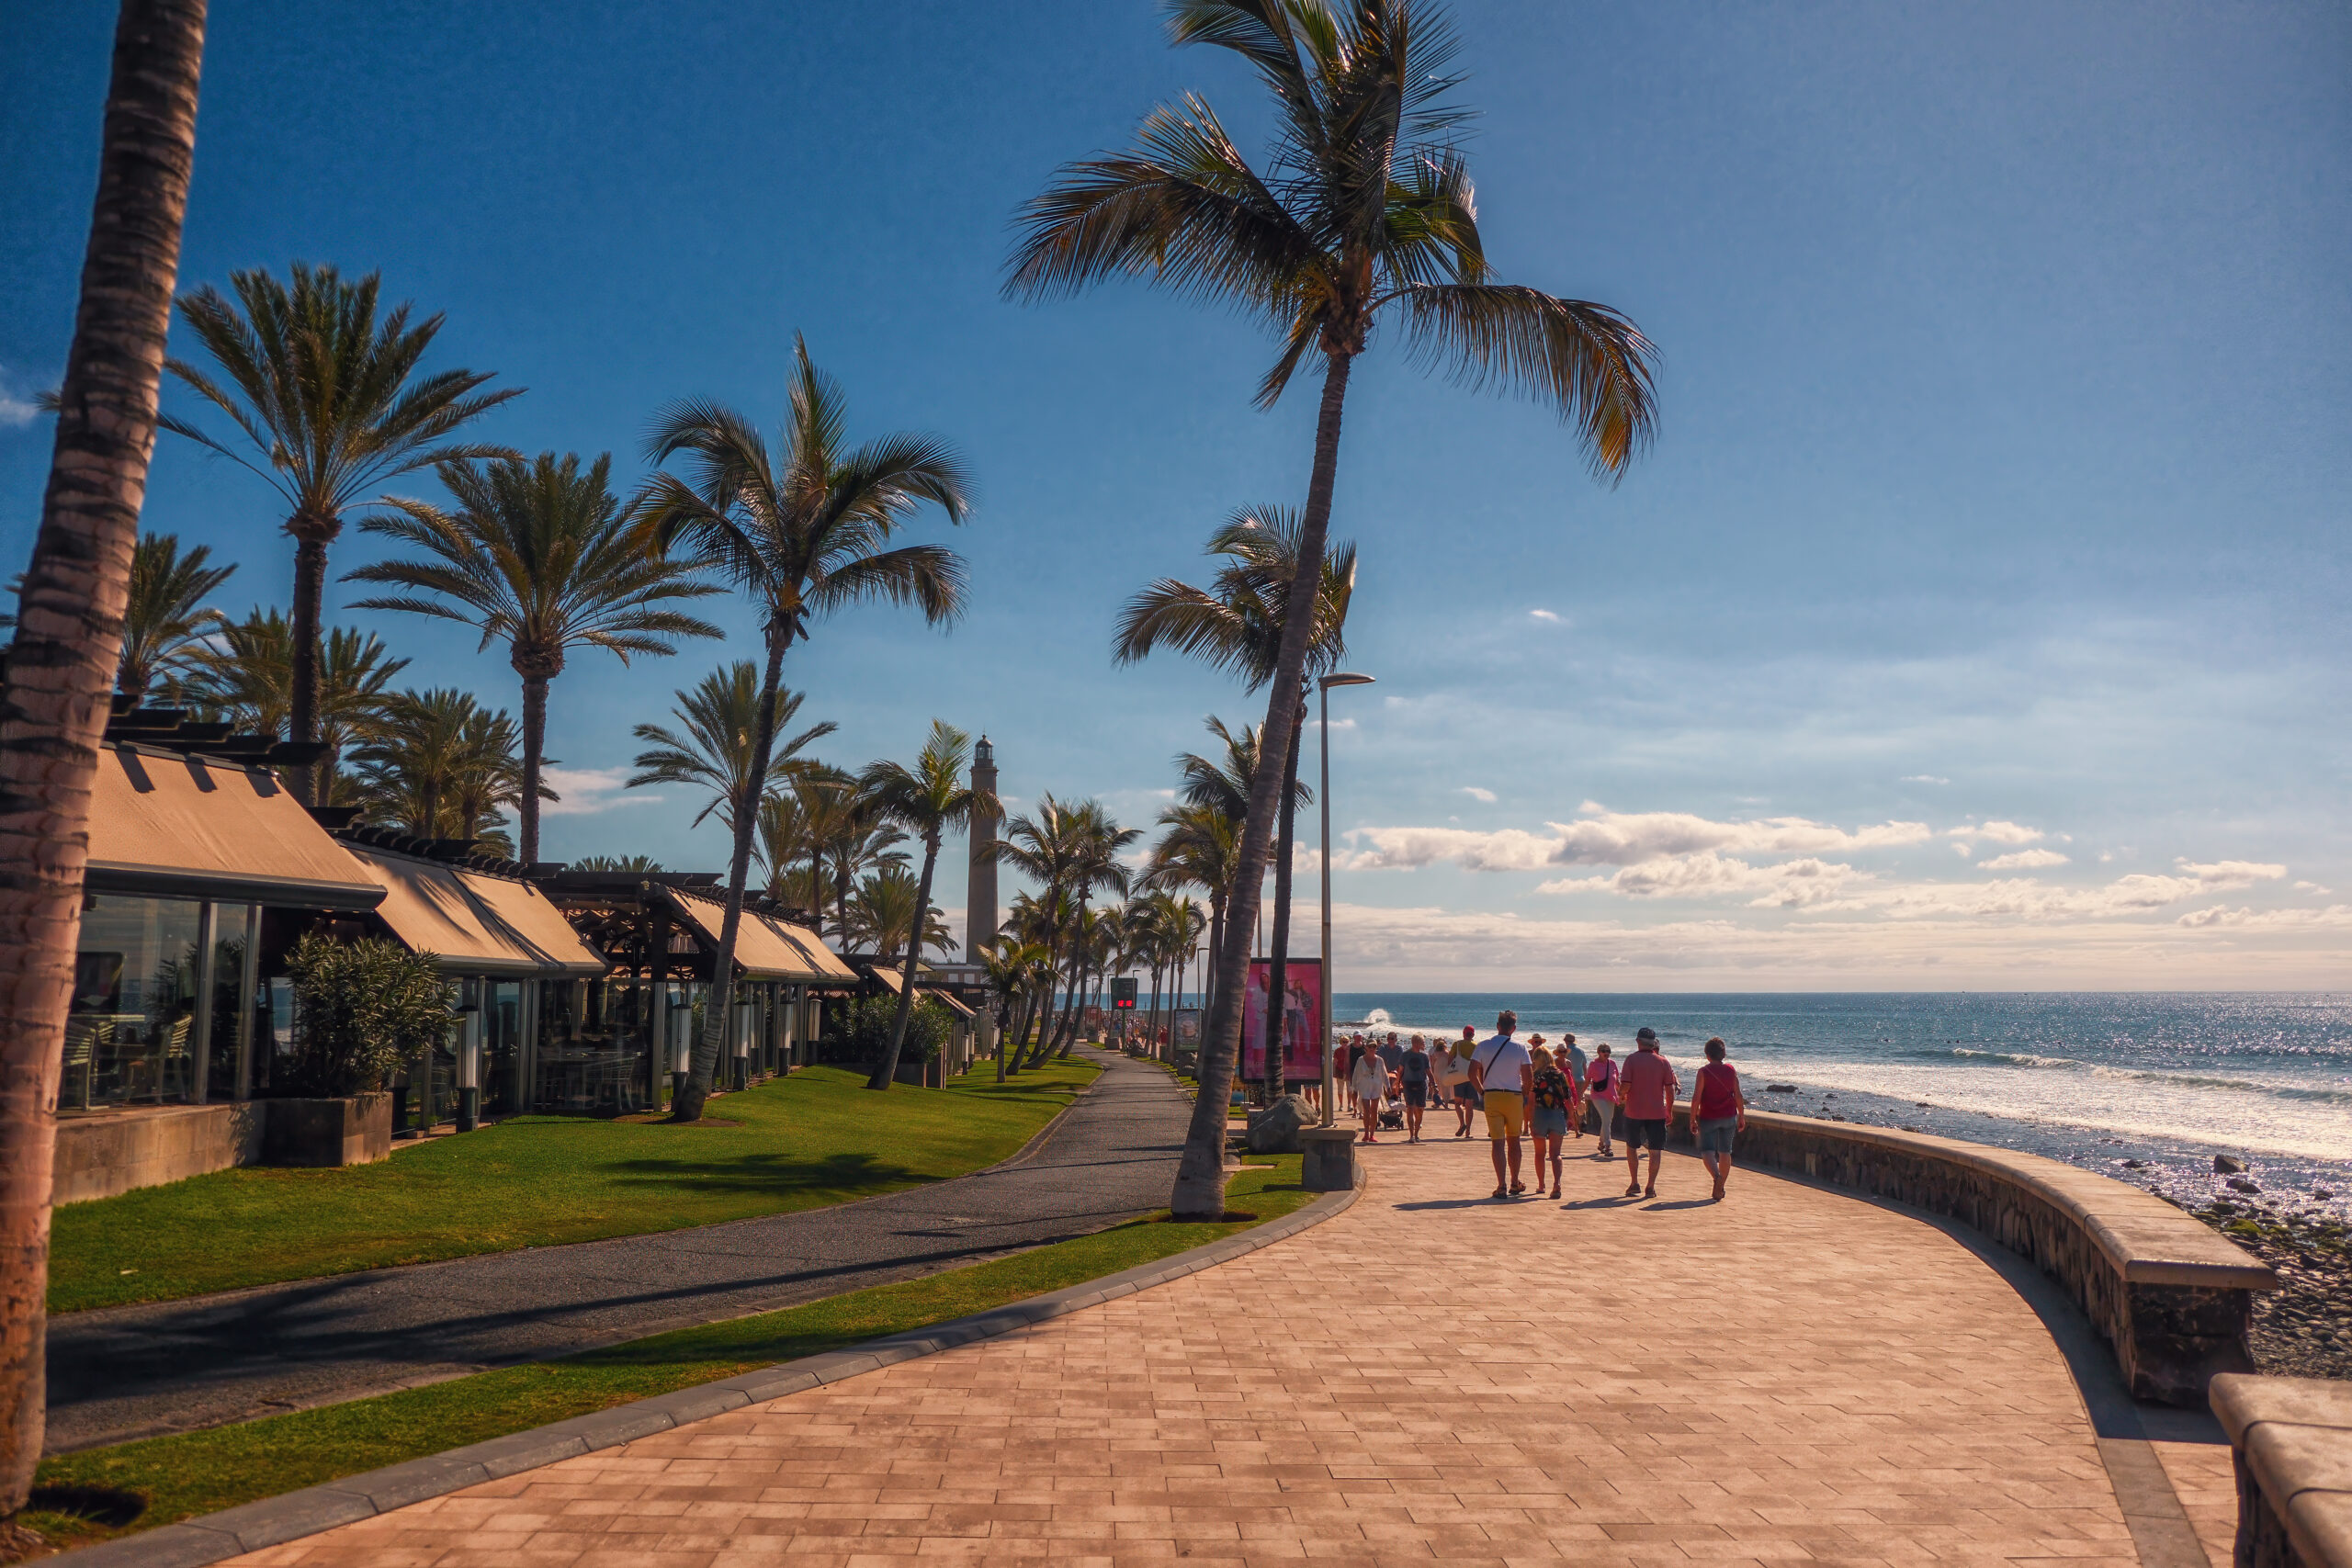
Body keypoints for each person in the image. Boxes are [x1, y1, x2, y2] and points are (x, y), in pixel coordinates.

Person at [1469, 1010, 1534, 1198]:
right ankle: (1515, 1182)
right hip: (1513, 1097)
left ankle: (1501, 1185)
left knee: (1497, 1143)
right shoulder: (1520, 1048)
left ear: (1497, 1026)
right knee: (1514, 1141)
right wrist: (1522, 1093)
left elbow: (1471, 1073)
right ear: (1513, 1028)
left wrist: (1482, 1091)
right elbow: (1528, 1078)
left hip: (1492, 1096)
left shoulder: (1483, 1046)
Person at [1619, 1025, 1680, 1199]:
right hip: (1656, 1113)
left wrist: (1620, 1096)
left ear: (1638, 1041)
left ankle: (1634, 1183)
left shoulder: (1630, 1060)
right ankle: (1650, 1186)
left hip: (1633, 1112)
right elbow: (1670, 1090)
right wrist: (1669, 1110)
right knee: (1655, 1150)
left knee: (1632, 1147)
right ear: (1653, 1043)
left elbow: (1626, 1086)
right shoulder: (1663, 1062)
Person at [1693, 1036, 1747, 1201]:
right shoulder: (1731, 1070)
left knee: (1707, 1150)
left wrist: (1692, 1118)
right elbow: (1738, 1095)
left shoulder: (1703, 1072)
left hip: (1708, 1116)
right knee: (1725, 1151)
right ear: (1723, 1054)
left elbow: (1696, 1097)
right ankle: (1721, 1186)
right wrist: (1741, 1115)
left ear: (1707, 1054)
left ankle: (1717, 1178)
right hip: (1729, 1116)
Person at [1527, 1043, 1574, 1200]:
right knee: (1556, 1154)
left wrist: (1530, 1121)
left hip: (1540, 1114)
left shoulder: (1537, 1076)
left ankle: (1541, 1185)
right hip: (1556, 1114)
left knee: (1540, 1154)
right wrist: (1572, 1117)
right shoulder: (1560, 1074)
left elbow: (1532, 1101)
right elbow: (1568, 1098)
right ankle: (1557, 1184)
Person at [1583, 1043, 1621, 1158]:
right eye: (1604, 1050)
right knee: (1606, 1119)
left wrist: (1623, 1093)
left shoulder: (1613, 1064)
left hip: (1611, 1095)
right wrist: (1580, 1094)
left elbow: (1617, 1082)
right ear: (1598, 1052)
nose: (1606, 1053)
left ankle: (1601, 1143)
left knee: (1608, 1119)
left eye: (1608, 1051)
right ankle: (1608, 1146)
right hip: (1598, 1096)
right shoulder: (1593, 1064)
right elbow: (1588, 1080)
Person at [1350, 1036, 1390, 1143]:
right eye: (1370, 1046)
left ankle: (1372, 1134)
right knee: (1366, 1110)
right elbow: (1356, 1074)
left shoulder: (1380, 1060)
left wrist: (1388, 1087)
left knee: (1374, 1110)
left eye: (1374, 1046)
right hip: (1364, 1087)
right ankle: (1366, 1133)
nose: (1372, 1048)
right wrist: (1354, 1088)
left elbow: (1385, 1075)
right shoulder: (1360, 1060)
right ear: (1366, 1047)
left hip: (1376, 1087)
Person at [1397, 1034, 1432, 1142]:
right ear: (1415, 1043)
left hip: (1421, 1084)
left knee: (1420, 1110)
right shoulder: (1405, 1055)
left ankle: (1416, 1134)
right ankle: (1412, 1135)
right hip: (1408, 1084)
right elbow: (1401, 1070)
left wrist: (1434, 1083)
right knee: (1410, 1109)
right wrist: (1397, 1083)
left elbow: (1428, 1071)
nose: (1424, 1044)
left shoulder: (1424, 1056)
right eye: (1422, 1042)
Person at [1451, 1025, 1480, 1138]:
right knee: (1469, 1105)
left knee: (1457, 1103)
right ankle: (1468, 1131)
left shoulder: (1457, 1044)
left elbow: (1450, 1060)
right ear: (1473, 1035)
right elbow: (1479, 1064)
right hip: (1472, 1077)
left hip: (1459, 1077)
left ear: (1463, 1033)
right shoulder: (1476, 1046)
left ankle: (1462, 1123)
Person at [1560, 1033, 1589, 1140]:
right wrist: (1587, 1079)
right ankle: (1582, 1121)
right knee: (1580, 1099)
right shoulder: (1581, 1051)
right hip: (1580, 1079)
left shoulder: (1565, 1052)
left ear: (1565, 1041)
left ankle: (1570, 1123)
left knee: (1569, 1101)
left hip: (1569, 1079)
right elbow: (1584, 1067)